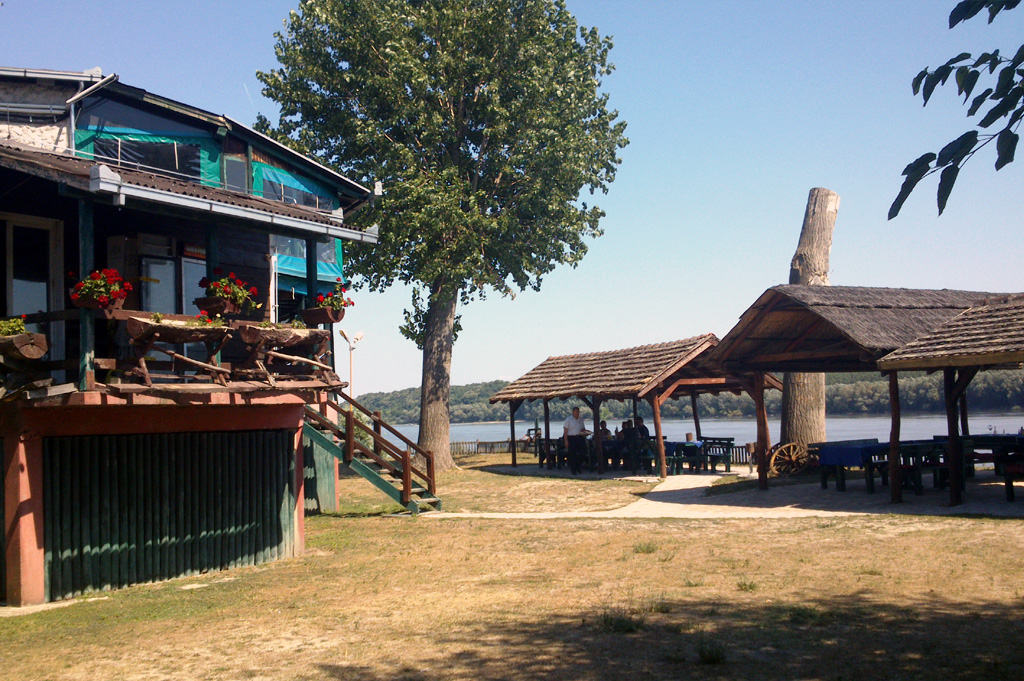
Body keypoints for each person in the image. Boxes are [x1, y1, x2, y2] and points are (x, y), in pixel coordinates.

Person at [563, 406, 588, 475]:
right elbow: (565, 431)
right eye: (576, 412)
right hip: (571, 438)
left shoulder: (580, 420)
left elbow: (583, 429)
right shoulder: (568, 420)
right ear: (573, 412)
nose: (577, 413)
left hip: (579, 437)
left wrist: (586, 432)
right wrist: (566, 440)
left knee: (584, 451)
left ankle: (578, 465)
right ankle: (573, 470)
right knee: (572, 454)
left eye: (578, 412)